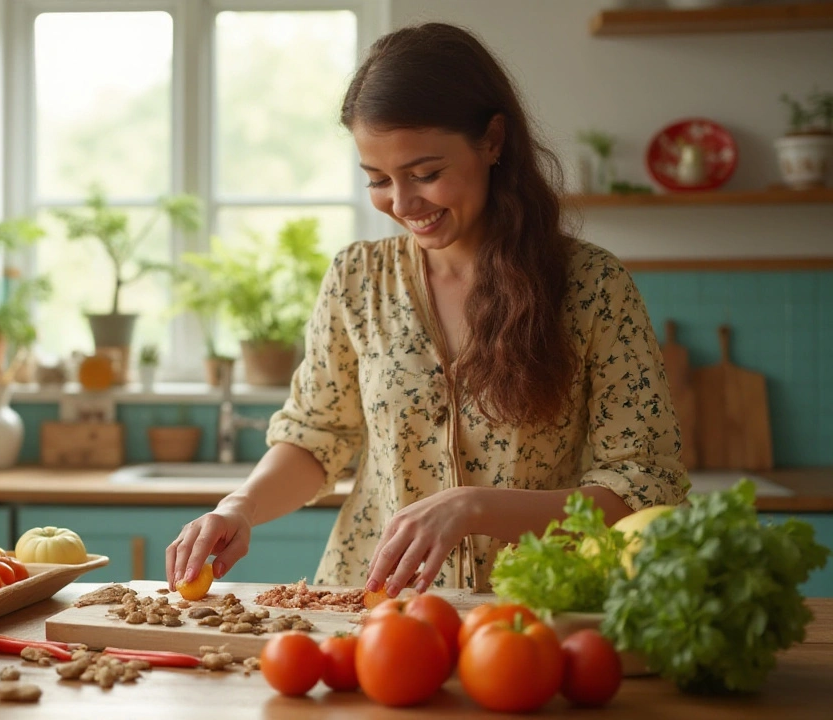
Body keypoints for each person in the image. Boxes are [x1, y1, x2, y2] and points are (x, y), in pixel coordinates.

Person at [165, 22, 686, 599]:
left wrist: (474, 506)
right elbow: (317, 439)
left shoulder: (593, 287)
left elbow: (642, 485)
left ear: (492, 141)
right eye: (379, 180)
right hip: (371, 613)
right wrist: (239, 506)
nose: (404, 203)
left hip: (534, 614)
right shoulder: (357, 280)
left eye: (426, 174)